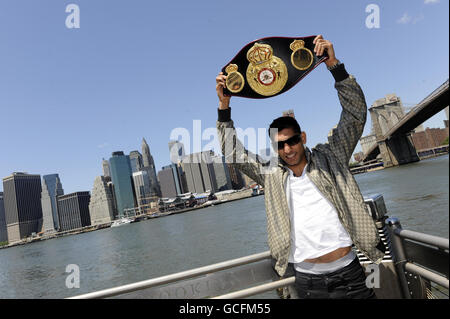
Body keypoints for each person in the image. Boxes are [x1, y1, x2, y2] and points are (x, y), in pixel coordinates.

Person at [215, 35, 386, 299]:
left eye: (292, 141)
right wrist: (224, 107)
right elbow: (234, 154)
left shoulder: (331, 158)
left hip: (351, 274)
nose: (288, 149)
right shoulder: (271, 176)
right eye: (280, 145)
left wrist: (335, 67)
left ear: (302, 138)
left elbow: (354, 116)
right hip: (308, 283)